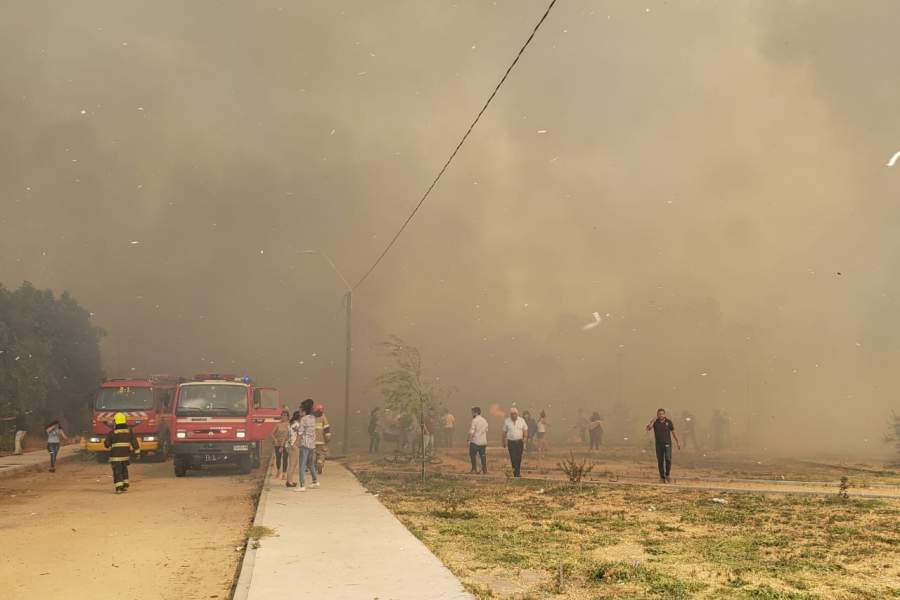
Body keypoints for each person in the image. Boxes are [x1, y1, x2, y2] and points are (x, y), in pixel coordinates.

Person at [103, 413, 139, 493]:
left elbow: (107, 444)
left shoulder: (112, 433)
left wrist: (105, 442)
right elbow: (134, 442)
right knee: (124, 469)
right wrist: (136, 452)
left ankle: (119, 487)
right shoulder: (129, 431)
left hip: (115, 456)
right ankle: (125, 485)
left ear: (115, 422)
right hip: (126, 455)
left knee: (117, 471)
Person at [646, 408, 680, 483]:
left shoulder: (669, 422)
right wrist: (652, 421)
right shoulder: (655, 422)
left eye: (662, 414)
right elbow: (648, 429)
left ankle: (667, 474)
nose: (661, 415)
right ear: (657, 415)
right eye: (659, 414)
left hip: (667, 443)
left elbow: (673, 432)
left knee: (668, 459)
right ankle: (662, 477)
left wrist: (677, 442)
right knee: (660, 461)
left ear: (664, 414)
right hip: (658, 444)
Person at [297, 399, 319, 492]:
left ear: (304, 411)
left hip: (304, 444)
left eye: (300, 410)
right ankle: (315, 481)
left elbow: (301, 432)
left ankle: (302, 485)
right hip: (312, 444)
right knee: (310, 464)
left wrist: (295, 443)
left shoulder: (303, 419)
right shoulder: (313, 418)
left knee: (302, 465)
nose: (299, 412)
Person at [502, 407, 528, 477]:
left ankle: (517, 472)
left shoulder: (521, 420)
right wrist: (503, 442)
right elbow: (504, 432)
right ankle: (515, 472)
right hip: (511, 442)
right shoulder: (507, 421)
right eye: (512, 414)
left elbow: (525, 430)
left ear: (517, 414)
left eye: (515, 414)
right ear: (510, 415)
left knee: (519, 457)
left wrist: (525, 438)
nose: (514, 415)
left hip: (519, 442)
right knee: (513, 457)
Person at [270, 410, 290, 480]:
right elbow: (272, 433)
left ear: (288, 417)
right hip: (278, 444)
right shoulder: (278, 424)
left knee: (285, 458)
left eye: (285, 415)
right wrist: (275, 439)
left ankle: (284, 473)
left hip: (286, 444)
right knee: (278, 458)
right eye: (282, 415)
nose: (283, 417)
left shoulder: (289, 424)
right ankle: (278, 471)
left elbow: (291, 434)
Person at [468, 406, 488, 474]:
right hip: (483, 441)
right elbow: (486, 430)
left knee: (472, 454)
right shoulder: (484, 420)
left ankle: (474, 469)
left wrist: (469, 440)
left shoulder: (474, 420)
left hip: (475, 441)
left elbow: (472, 431)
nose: (472, 414)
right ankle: (485, 470)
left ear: (475, 413)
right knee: (483, 455)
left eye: (472, 412)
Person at [312, 402, 331, 474]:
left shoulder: (311, 417)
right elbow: (326, 428)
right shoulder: (323, 416)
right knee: (322, 453)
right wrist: (328, 437)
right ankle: (320, 461)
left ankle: (313, 465)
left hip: (312, 440)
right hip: (321, 440)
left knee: (313, 453)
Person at [286, 411, 301, 488]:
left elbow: (288, 434)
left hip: (289, 444)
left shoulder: (290, 424)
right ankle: (289, 482)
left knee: (291, 464)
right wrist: (296, 444)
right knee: (293, 464)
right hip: (294, 445)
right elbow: (299, 435)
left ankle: (289, 480)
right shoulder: (297, 424)